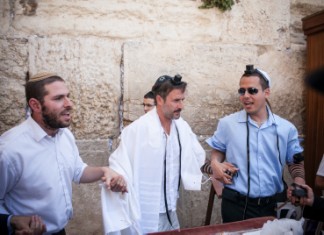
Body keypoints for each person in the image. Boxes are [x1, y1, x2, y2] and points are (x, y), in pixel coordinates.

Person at [0, 72, 127, 234]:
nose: (69, 104)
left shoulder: (64, 135)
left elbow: (78, 171)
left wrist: (105, 171)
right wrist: (12, 221)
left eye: (68, 96)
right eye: (59, 98)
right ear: (35, 105)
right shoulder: (10, 149)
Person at [101, 74, 205, 234]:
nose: (181, 105)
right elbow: (119, 164)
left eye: (183, 100)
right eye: (176, 100)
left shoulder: (181, 127)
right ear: (160, 100)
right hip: (146, 211)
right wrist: (117, 178)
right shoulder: (137, 130)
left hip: (170, 209)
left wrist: (214, 168)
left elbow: (196, 155)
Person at [206, 65, 305, 223]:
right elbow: (218, 150)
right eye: (242, 91)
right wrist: (215, 163)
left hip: (274, 206)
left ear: (267, 92)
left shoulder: (287, 128)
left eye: (252, 90)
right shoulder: (227, 124)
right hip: (236, 206)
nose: (245, 96)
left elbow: (294, 161)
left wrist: (299, 183)